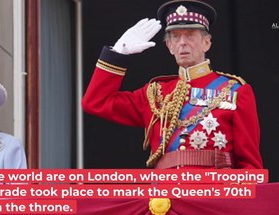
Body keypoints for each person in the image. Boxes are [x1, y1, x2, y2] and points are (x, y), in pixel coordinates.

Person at [82, 0, 263, 169]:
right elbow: (95, 102)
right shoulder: (155, 94)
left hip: (214, 197)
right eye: (176, 37)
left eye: (190, 35)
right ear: (169, 46)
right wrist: (118, 53)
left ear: (206, 43)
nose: (183, 42)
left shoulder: (235, 91)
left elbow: (250, 165)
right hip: (165, 198)